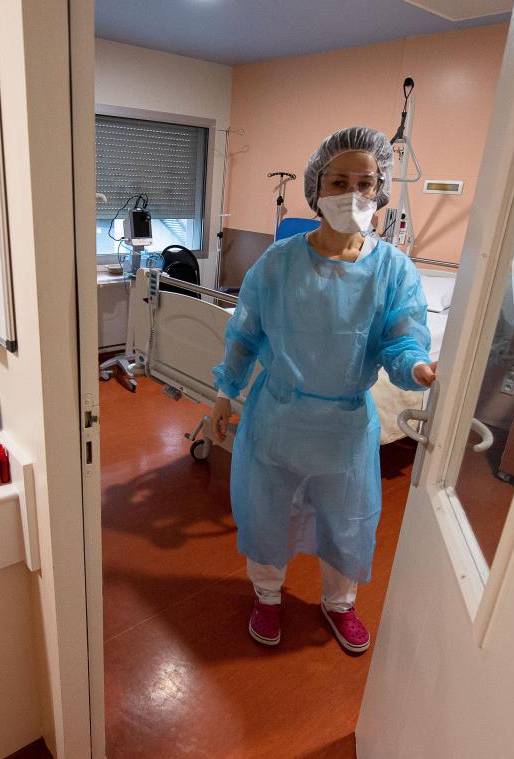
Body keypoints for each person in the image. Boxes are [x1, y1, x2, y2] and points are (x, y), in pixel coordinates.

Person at [210, 126, 435, 654]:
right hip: (278, 418)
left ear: (379, 191)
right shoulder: (278, 262)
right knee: (268, 512)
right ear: (317, 188)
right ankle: (267, 596)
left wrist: (417, 368)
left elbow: (402, 339)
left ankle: (340, 604)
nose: (352, 194)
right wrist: (224, 392)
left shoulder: (393, 270)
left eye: (365, 183)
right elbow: (245, 333)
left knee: (347, 520)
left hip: (345, 427)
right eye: (339, 182)